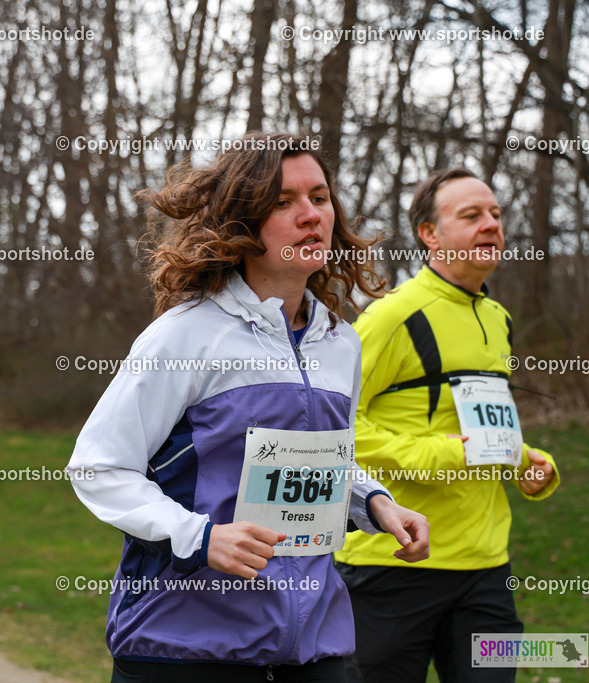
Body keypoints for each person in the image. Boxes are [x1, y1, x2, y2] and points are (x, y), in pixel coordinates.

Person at [67, 132, 431, 682]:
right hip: (184, 648)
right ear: (242, 224)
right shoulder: (186, 335)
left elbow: (320, 461)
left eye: (320, 198)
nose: (310, 215)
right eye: (283, 202)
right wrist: (202, 539)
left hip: (313, 649)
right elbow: (100, 467)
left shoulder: (341, 343)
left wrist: (375, 503)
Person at [334, 168, 560, 682]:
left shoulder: (498, 317)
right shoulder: (390, 315)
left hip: (485, 567)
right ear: (429, 234)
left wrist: (526, 462)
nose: (491, 225)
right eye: (472, 215)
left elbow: (479, 421)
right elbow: (335, 428)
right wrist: (441, 455)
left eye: (496, 214)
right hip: (393, 563)